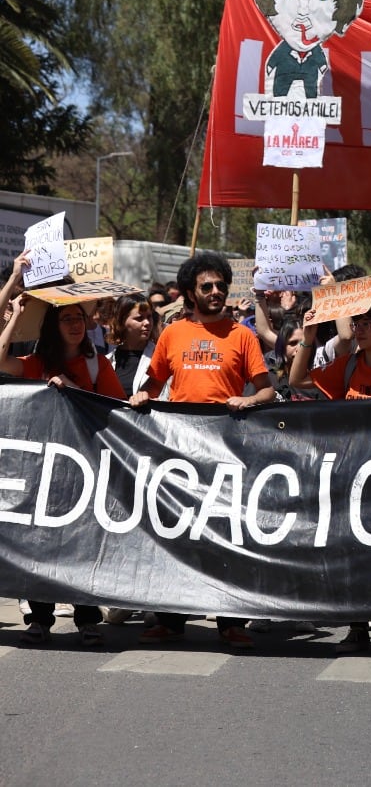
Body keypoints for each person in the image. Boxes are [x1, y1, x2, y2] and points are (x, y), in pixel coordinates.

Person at [128, 252, 274, 651]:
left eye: (221, 286)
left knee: (227, 534)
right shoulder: (172, 335)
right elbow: (153, 384)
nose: (216, 292)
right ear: (191, 292)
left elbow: (268, 388)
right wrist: (142, 397)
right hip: (177, 450)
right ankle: (170, 621)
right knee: (175, 532)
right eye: (207, 286)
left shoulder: (242, 335)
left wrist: (250, 401)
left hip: (228, 451)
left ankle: (230, 622)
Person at [288, 296, 371, 655]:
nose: (359, 330)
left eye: (367, 324)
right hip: (351, 475)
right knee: (353, 552)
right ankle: (358, 626)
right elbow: (297, 379)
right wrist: (308, 337)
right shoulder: (347, 367)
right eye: (357, 323)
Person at [0, 294, 125, 646]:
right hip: (41, 471)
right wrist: (16, 318)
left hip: (82, 470)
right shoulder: (35, 362)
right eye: (66, 319)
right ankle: (40, 619)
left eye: (78, 318)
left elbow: (119, 411)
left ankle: (87, 618)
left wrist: (73, 391)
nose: (74, 324)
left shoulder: (98, 364)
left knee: (80, 545)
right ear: (53, 327)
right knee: (37, 545)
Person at [105, 294, 156, 397]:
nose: (147, 322)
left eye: (149, 317)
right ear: (122, 321)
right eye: (139, 318)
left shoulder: (159, 356)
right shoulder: (108, 360)